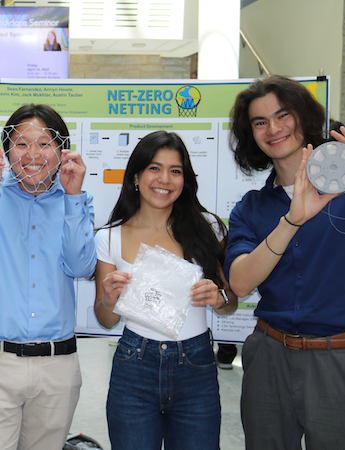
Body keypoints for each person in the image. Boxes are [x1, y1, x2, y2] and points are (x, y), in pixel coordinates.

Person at [225, 75, 345, 449]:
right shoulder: (251, 207)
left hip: (340, 356)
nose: (274, 128)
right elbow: (241, 283)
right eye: (260, 122)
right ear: (252, 136)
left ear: (304, 118)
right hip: (269, 356)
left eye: (283, 115)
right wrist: (293, 219)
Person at [0, 104, 95, 450]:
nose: (33, 154)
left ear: (62, 151)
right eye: (21, 143)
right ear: (5, 149)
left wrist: (73, 198)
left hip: (57, 365)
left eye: (45, 144)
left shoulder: (77, 200)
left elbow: (82, 267)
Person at [94, 130, 237, 449]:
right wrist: (108, 299)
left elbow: (231, 303)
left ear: (185, 180)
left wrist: (219, 298)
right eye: (155, 168)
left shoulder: (207, 227)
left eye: (176, 171)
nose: (165, 179)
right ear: (136, 176)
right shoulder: (109, 237)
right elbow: (105, 320)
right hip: (134, 364)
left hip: (196, 363)